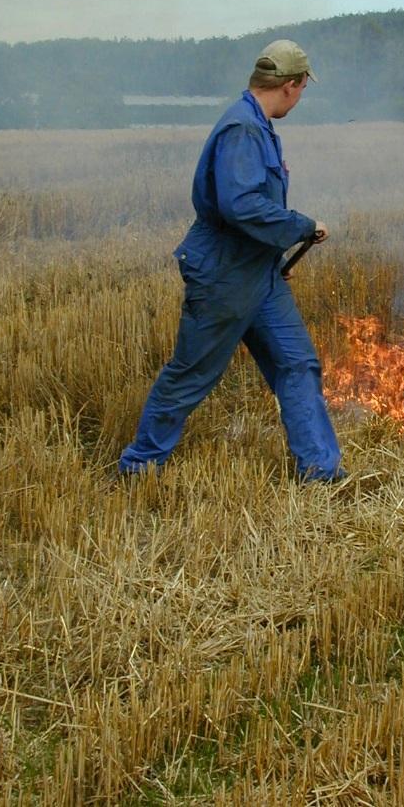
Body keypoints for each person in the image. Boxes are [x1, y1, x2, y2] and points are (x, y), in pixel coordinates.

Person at [119, 39, 346, 483]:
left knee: (297, 363)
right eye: (302, 89)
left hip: (258, 273)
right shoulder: (243, 129)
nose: (300, 98)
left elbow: (251, 208)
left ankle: (320, 470)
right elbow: (240, 205)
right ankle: (139, 467)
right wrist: (301, 225)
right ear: (291, 85)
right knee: (191, 375)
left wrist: (275, 251)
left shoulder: (257, 124)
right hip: (224, 273)